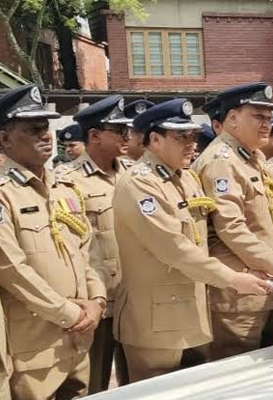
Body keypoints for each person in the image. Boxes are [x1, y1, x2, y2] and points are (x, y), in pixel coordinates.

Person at [112, 98, 270, 381]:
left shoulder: (186, 178)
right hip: (155, 319)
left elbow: (205, 235)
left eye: (193, 136)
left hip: (193, 309)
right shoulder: (139, 182)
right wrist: (234, 278)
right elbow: (175, 249)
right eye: (181, 136)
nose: (191, 144)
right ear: (155, 139)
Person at [0, 85, 106, 399]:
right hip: (35, 345)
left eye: (46, 127)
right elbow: (11, 269)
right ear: (4, 138)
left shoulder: (63, 187)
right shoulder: (4, 193)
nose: (46, 135)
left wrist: (97, 301)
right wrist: (68, 313)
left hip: (78, 336)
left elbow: (86, 251)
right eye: (33, 129)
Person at [192, 83, 273, 359]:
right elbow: (230, 227)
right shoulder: (222, 161)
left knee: (260, 371)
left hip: (261, 287)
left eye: (268, 118)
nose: (267, 124)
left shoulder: (250, 156)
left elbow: (250, 215)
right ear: (232, 118)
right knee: (235, 374)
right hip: (238, 294)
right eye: (258, 116)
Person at [64, 95, 133, 393]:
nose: (127, 137)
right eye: (119, 131)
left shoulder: (135, 174)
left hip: (137, 297)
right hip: (99, 301)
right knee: (94, 382)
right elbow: (71, 247)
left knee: (140, 383)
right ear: (94, 136)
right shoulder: (67, 181)